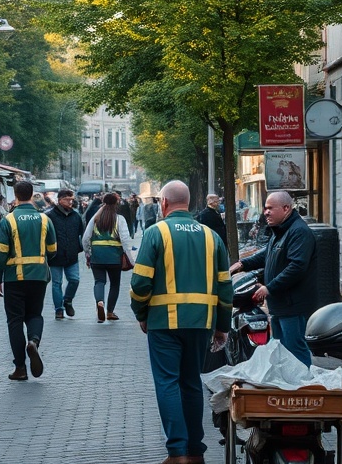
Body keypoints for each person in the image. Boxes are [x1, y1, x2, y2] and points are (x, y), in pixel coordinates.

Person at [131, 179, 231, 464]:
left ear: (163, 203)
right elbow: (225, 288)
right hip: (201, 323)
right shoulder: (212, 236)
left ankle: (177, 452)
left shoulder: (156, 233)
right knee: (191, 383)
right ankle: (196, 451)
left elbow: (140, 283)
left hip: (164, 323)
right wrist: (222, 326)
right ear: (188, 203)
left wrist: (141, 313)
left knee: (167, 383)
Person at [230, 190, 317, 366]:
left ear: (286, 208)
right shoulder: (281, 231)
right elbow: (268, 254)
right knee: (280, 349)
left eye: (270, 208)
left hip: (293, 305)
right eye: (265, 208)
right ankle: (287, 389)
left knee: (294, 349)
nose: (266, 212)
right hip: (280, 304)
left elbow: (297, 267)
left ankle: (303, 388)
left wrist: (269, 288)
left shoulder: (299, 232)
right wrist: (242, 264)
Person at [0, 179, 57, 381]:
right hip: (38, 277)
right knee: (35, 315)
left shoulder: (8, 220)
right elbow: (53, 250)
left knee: (15, 321)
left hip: (14, 278)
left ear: (15, 195)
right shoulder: (45, 219)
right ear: (31, 194)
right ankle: (34, 342)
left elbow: (0, 254)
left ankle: (20, 368)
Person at [82, 192, 135, 322]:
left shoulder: (95, 218)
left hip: (97, 257)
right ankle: (110, 312)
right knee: (115, 284)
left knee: (99, 282)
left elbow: (85, 238)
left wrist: (88, 254)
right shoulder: (119, 219)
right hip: (114, 257)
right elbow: (125, 240)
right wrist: (130, 259)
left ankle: (100, 302)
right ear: (116, 204)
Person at [45, 189, 84, 319]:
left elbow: (81, 232)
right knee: (57, 283)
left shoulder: (76, 216)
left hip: (72, 255)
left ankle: (67, 300)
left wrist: (82, 248)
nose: (70, 202)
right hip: (55, 255)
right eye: (67, 199)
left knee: (74, 280)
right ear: (60, 200)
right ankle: (59, 309)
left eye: (72, 199)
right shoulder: (50, 216)